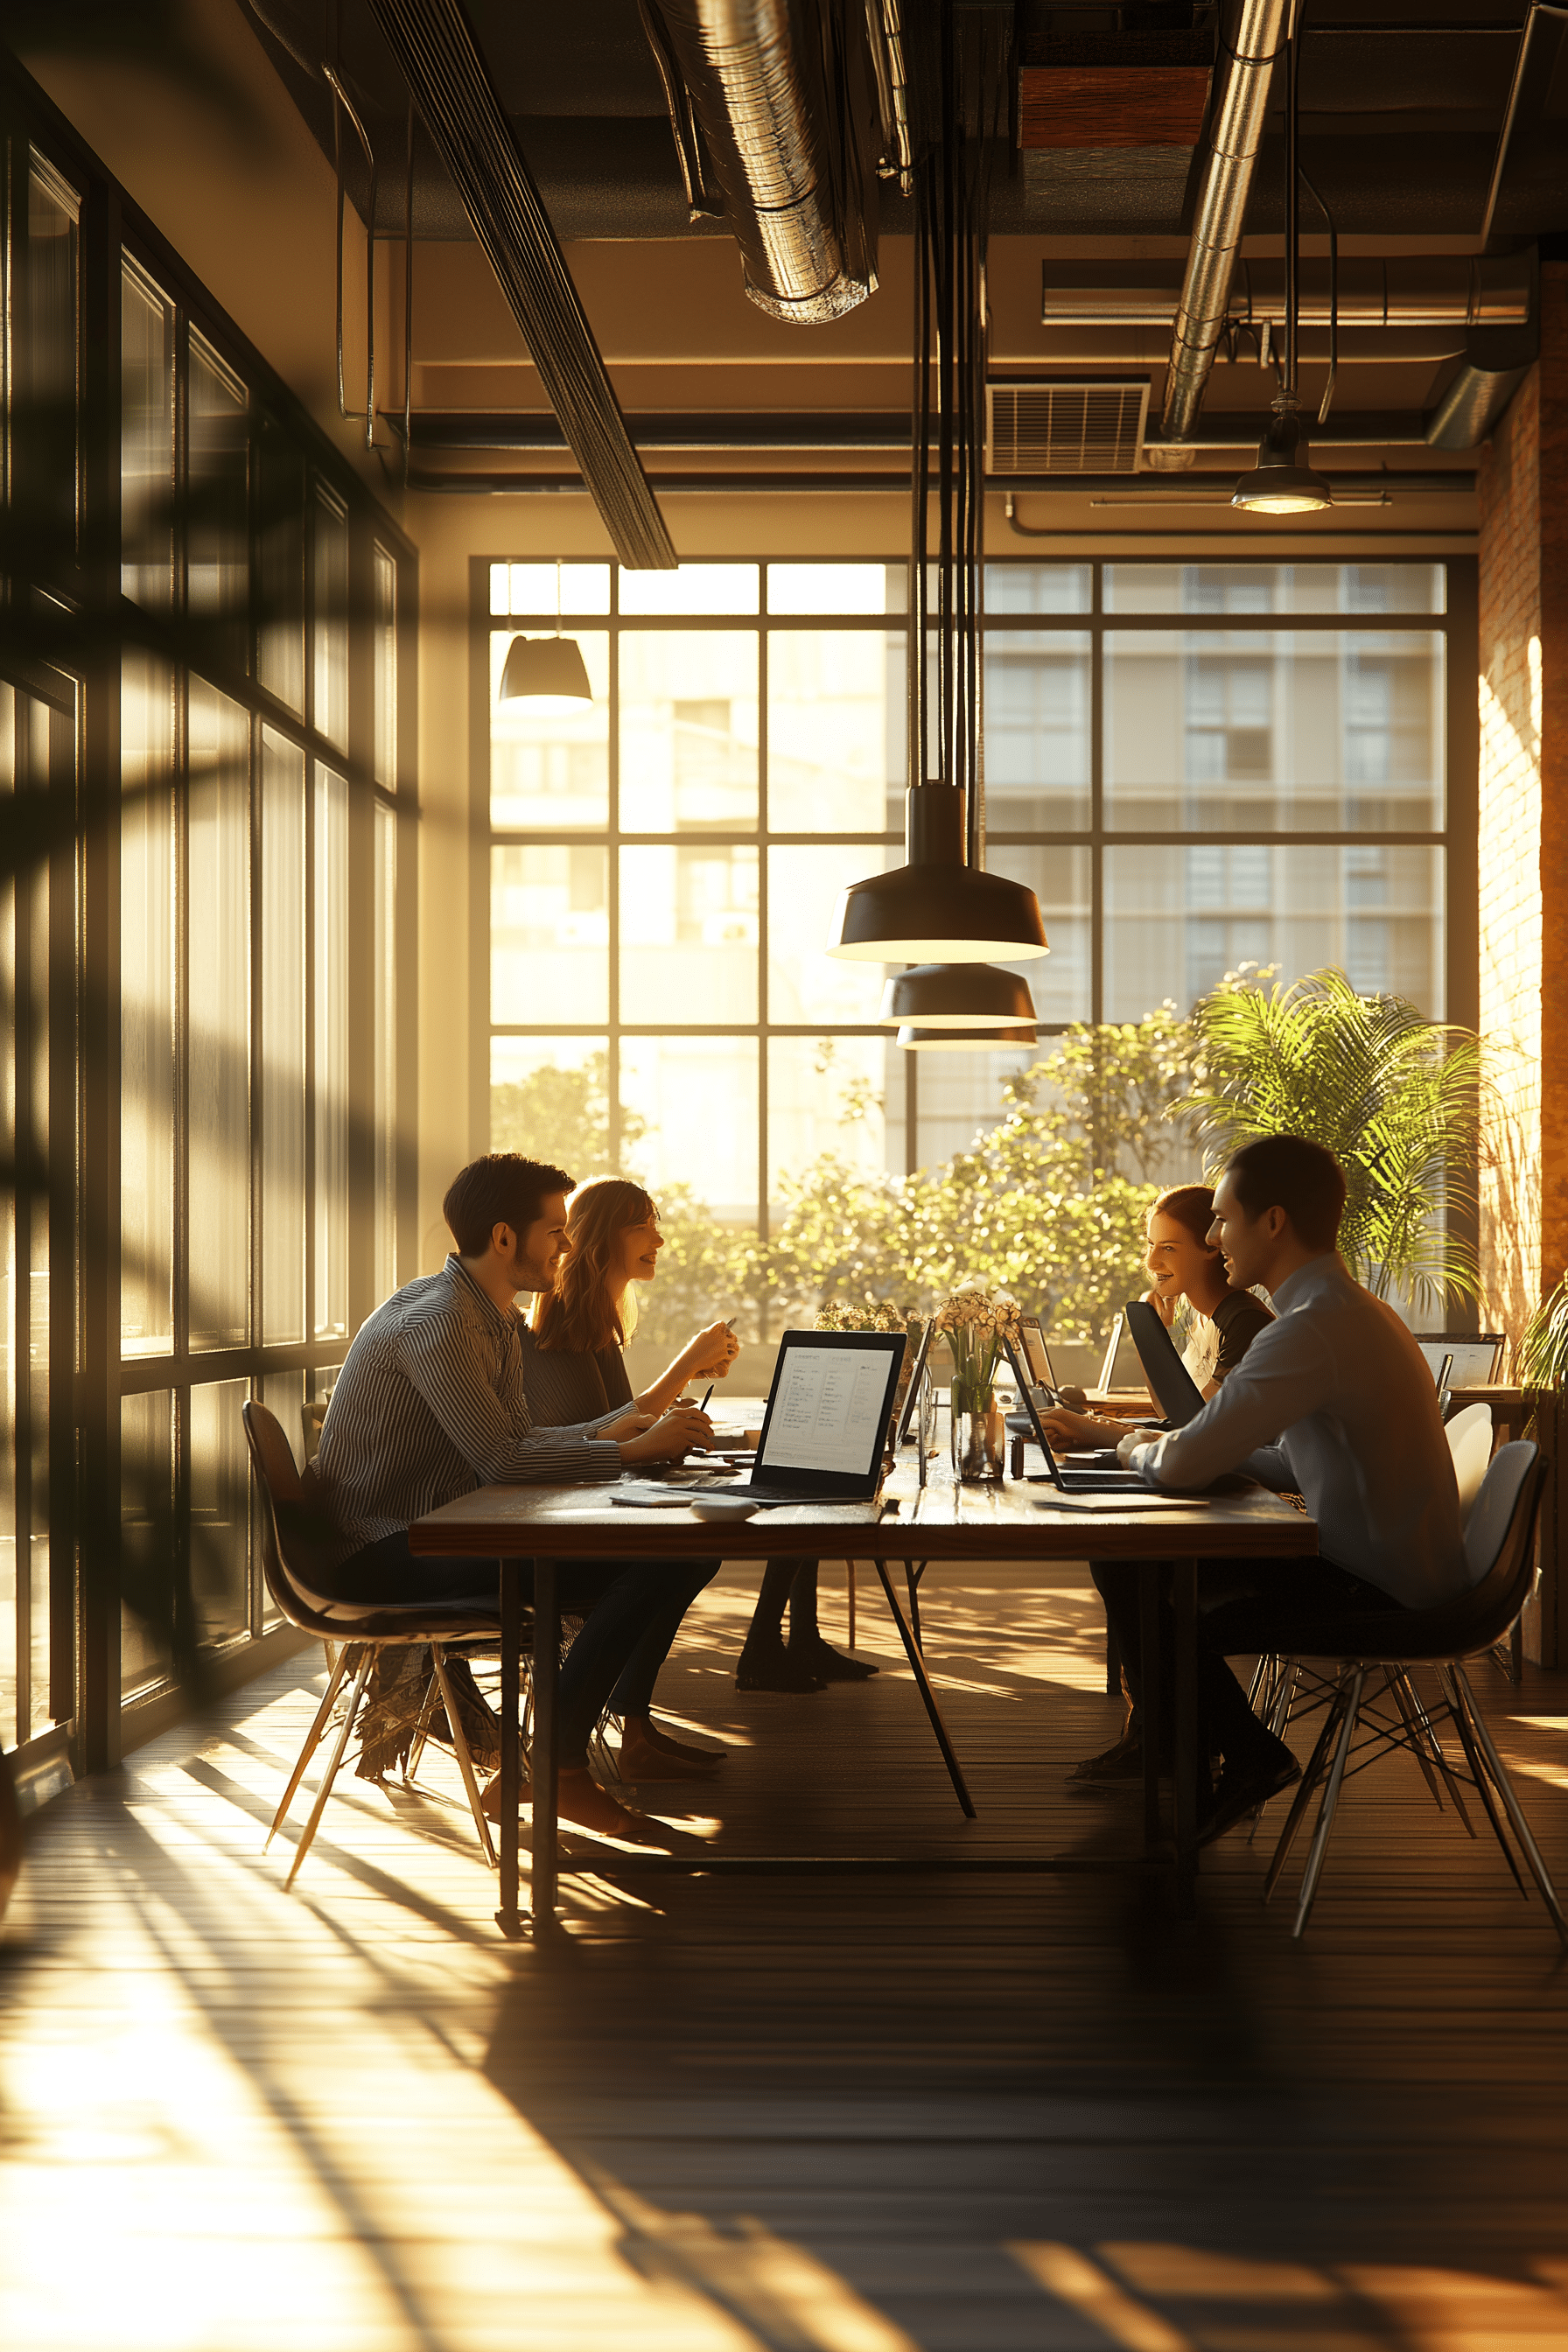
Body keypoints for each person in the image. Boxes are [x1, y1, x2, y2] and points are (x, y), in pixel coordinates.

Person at [310, 1152, 719, 1844]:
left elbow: (518, 1439)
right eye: (556, 1232)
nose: (568, 1245)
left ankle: (547, 1767)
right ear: (505, 1238)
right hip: (383, 1551)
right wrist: (627, 1452)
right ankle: (555, 1772)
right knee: (654, 1558)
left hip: (435, 1532)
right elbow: (503, 1460)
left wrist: (618, 1427)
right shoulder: (440, 1322)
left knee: (675, 1553)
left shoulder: (486, 1315)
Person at [1088, 1133, 1467, 1844]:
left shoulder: (1310, 1329)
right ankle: (1216, 1757)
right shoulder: (1344, 1312)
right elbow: (1300, 1466)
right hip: (1391, 1567)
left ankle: (1240, 1761)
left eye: (1223, 1219)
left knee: (1150, 1578)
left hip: (1376, 1589)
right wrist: (1220, 1454)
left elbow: (1177, 1468)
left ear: (1273, 1222)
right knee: (1138, 1564)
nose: (1211, 1236)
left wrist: (1128, 1444)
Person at [525, 1175, 739, 1781]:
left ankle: (633, 1726)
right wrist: (685, 1369)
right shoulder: (558, 1319)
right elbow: (599, 1431)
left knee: (695, 1553)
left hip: (580, 1503)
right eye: (642, 1224)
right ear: (601, 1236)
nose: (659, 1239)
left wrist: (668, 1411)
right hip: (553, 1517)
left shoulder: (595, 1318)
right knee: (680, 1554)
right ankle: (587, 1746)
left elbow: (618, 1424)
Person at [1039, 1183, 1275, 1456]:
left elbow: (1198, 1433)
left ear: (1211, 1245)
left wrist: (1090, 1429)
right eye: (1151, 1245)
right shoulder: (1201, 1318)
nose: (1151, 1262)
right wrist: (1153, 1332)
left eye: (1169, 1248)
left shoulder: (1245, 1322)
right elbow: (1172, 1412)